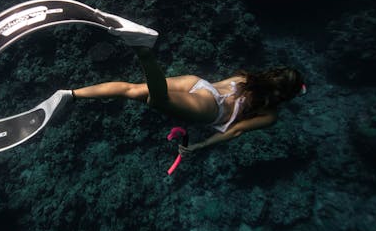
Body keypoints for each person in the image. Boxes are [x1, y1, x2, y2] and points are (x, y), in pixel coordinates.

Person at [71, 24, 306, 156]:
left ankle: (70, 94)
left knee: (131, 90)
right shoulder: (270, 115)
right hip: (211, 108)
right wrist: (199, 146)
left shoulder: (246, 77)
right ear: (285, 94)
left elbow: (220, 89)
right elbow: (235, 132)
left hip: (198, 84)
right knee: (158, 100)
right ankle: (143, 49)